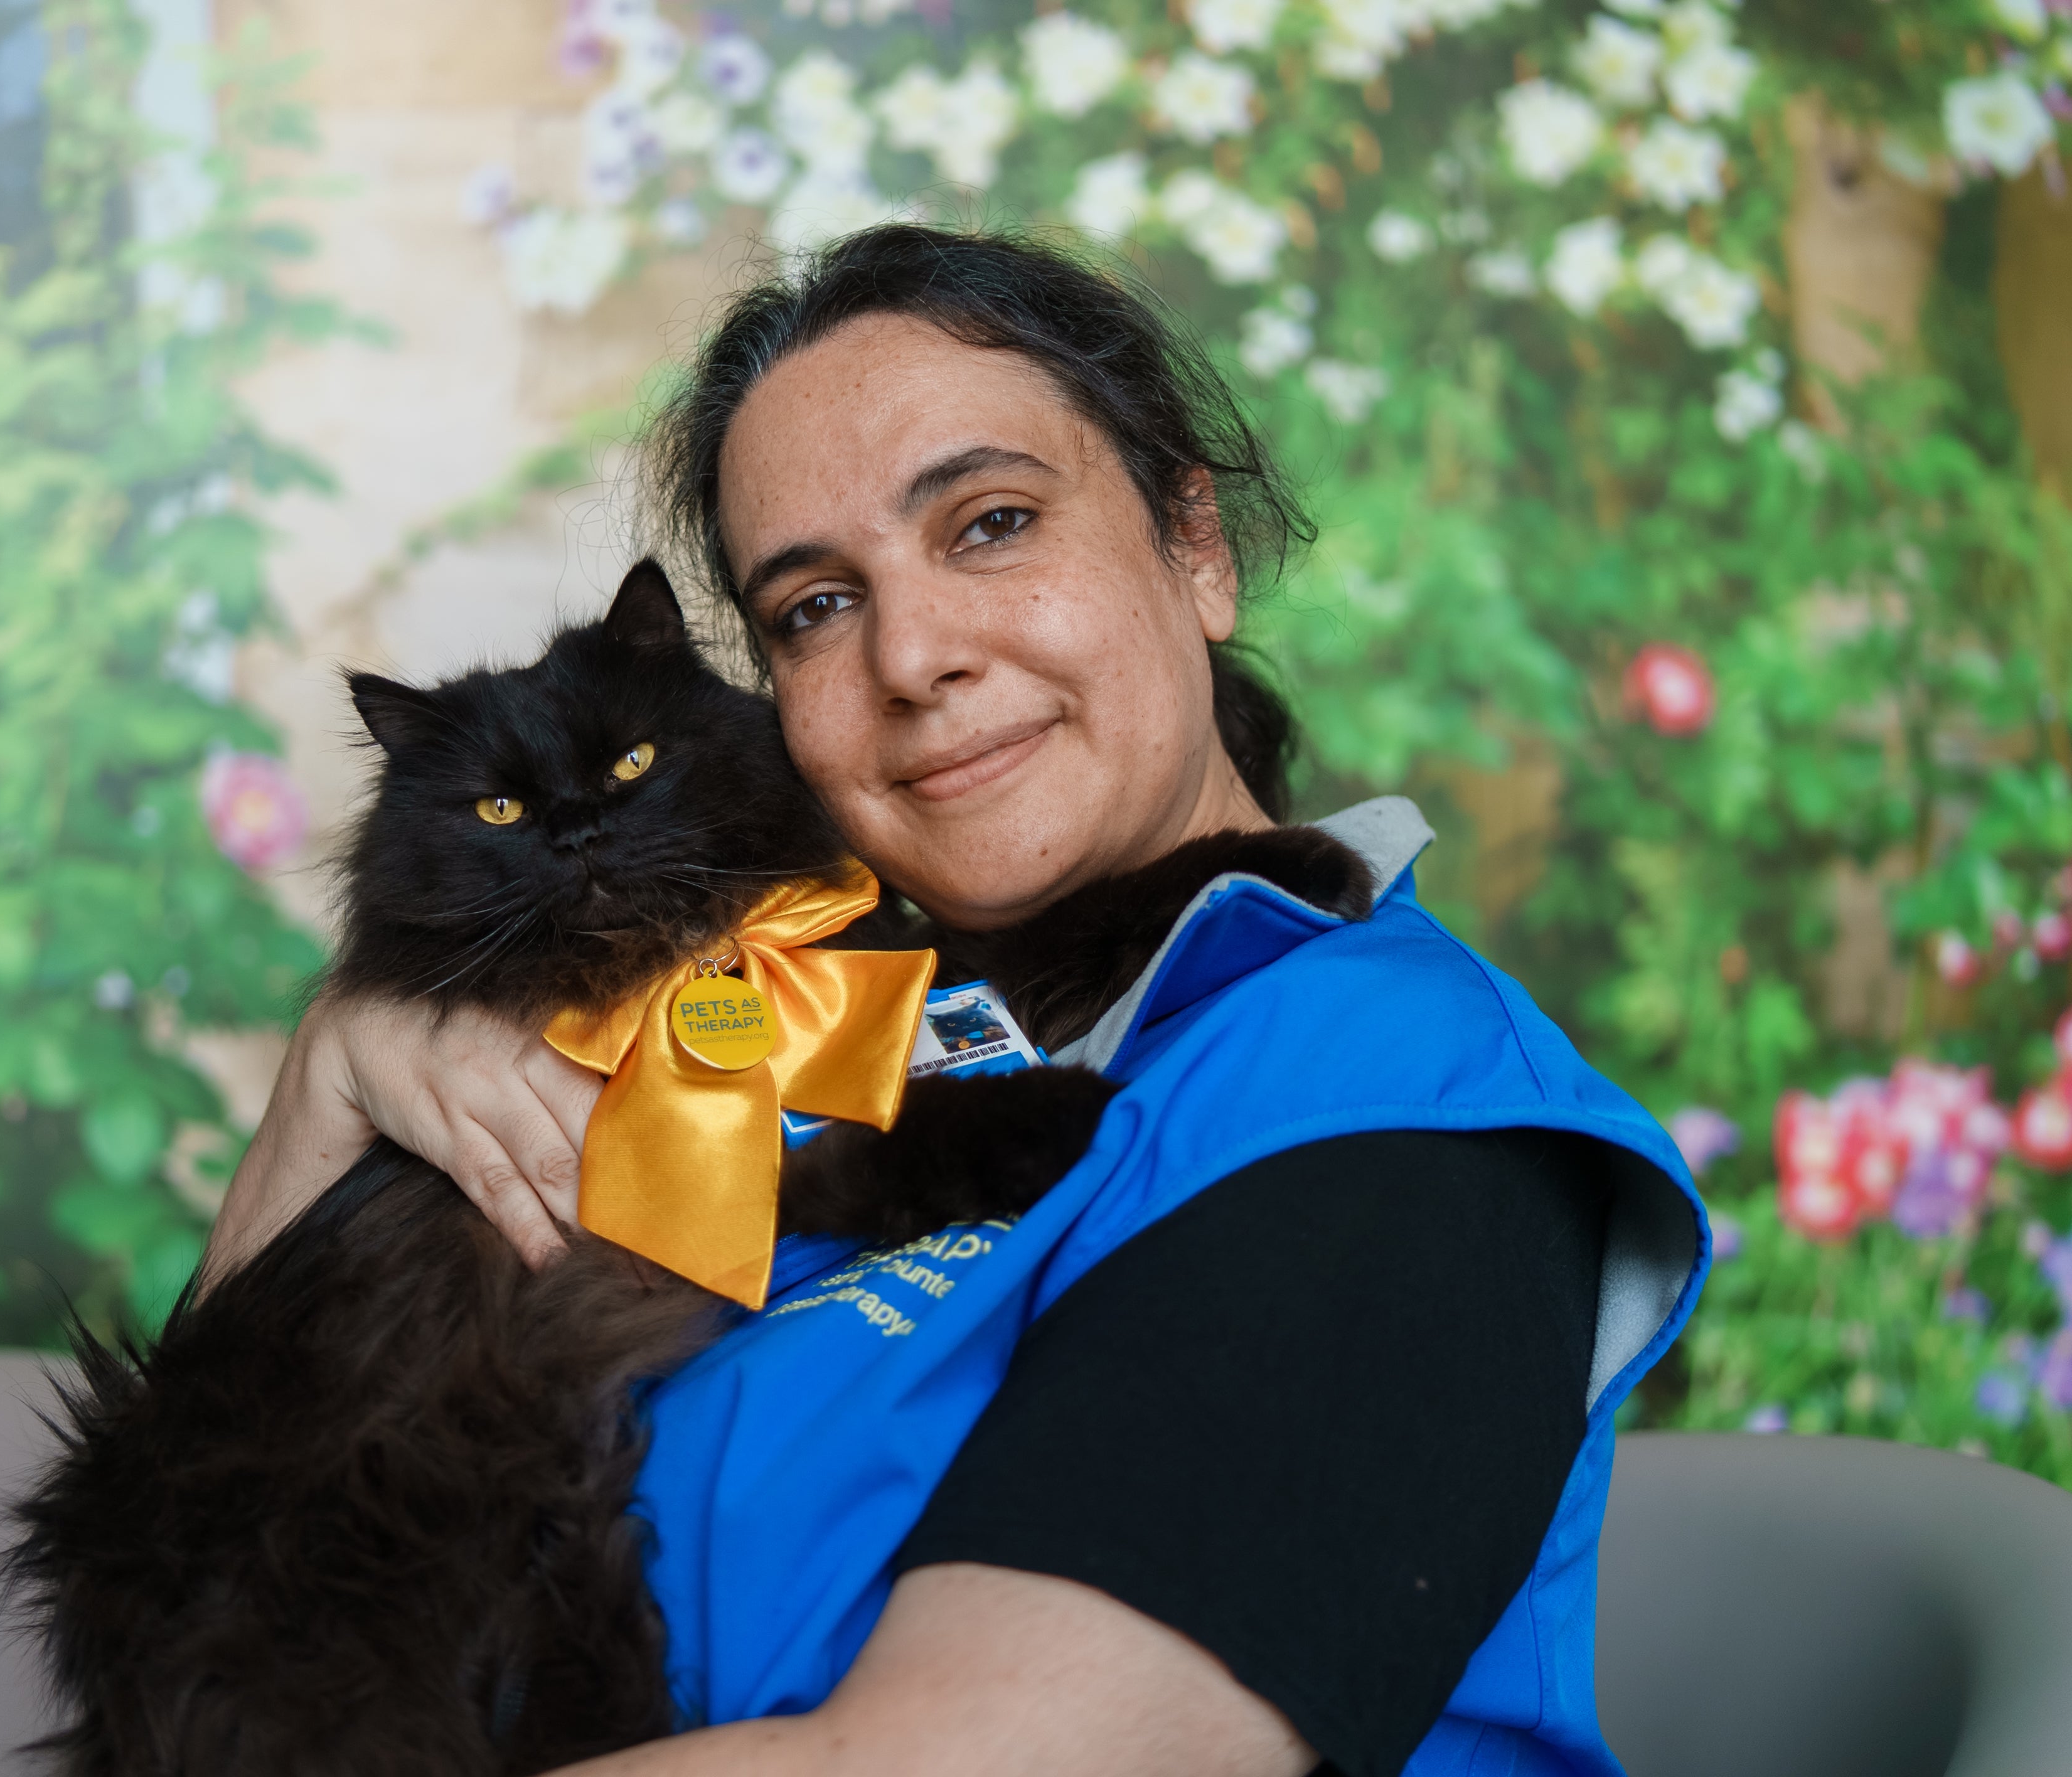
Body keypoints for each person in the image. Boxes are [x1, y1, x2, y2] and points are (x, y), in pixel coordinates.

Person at [208, 226, 1707, 1777]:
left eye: (988, 524)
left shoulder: (1387, 1103)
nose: (912, 656)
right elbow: (221, 1541)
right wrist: (323, 1095)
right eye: (812, 609)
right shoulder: (787, 1033)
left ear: (1194, 546)